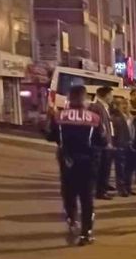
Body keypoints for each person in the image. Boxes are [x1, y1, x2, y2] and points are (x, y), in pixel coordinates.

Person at [46, 84, 107, 246]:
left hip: (67, 162)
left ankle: (73, 222)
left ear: (69, 98)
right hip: (88, 163)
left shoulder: (59, 116)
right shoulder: (94, 118)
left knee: (69, 195)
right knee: (87, 198)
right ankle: (86, 234)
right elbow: (102, 140)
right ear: (84, 98)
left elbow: (50, 136)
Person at [91, 86, 115, 200]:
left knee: (105, 168)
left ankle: (103, 189)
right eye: (111, 95)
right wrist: (106, 141)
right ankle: (100, 192)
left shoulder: (104, 107)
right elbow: (100, 127)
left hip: (106, 143)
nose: (112, 97)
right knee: (102, 169)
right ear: (105, 95)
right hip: (101, 144)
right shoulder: (97, 107)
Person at [111, 98, 136, 197]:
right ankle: (121, 189)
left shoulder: (131, 117)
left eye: (127, 104)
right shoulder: (115, 118)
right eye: (123, 104)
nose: (125, 106)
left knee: (129, 168)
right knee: (120, 168)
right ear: (119, 106)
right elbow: (114, 134)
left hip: (130, 145)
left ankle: (128, 187)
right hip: (120, 145)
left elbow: (133, 131)